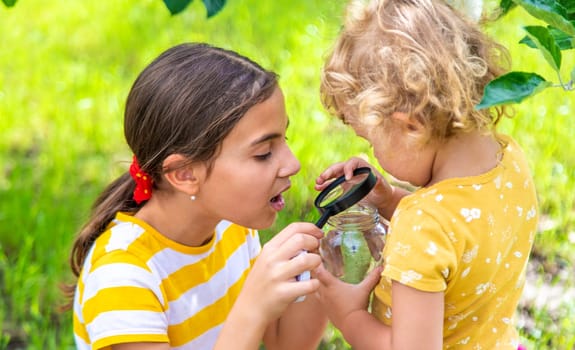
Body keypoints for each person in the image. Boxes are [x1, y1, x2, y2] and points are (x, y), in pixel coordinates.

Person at [65, 42, 327, 349]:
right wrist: (252, 309)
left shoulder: (231, 228)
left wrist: (323, 264)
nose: (292, 163)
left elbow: (287, 345)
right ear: (185, 174)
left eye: (285, 139)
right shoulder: (121, 276)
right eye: (264, 153)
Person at [314, 0, 538, 349]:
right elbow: (461, 226)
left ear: (412, 126)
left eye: (372, 141)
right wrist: (388, 199)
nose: (373, 153)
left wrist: (349, 317)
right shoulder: (510, 161)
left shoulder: (422, 226)